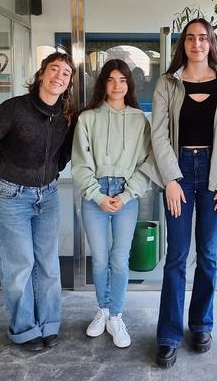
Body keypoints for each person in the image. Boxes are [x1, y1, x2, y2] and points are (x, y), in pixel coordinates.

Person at [0, 52, 76, 352]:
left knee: (48, 265)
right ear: (41, 74)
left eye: (66, 73)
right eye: (54, 69)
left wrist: (54, 170)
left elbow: (63, 151)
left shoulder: (64, 115)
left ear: (68, 84)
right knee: (20, 267)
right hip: (12, 198)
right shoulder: (15, 108)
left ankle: (49, 323)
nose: (59, 76)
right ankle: (25, 328)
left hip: (49, 197)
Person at [148, 18, 217, 368]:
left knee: (209, 256)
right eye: (191, 38)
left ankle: (201, 324)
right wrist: (171, 179)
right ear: (183, 44)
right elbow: (158, 134)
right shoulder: (167, 83)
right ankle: (168, 334)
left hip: (215, 174)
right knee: (176, 258)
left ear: (211, 42)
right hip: (181, 172)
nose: (197, 44)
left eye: (203, 38)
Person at [71, 59, 151, 348]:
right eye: (111, 79)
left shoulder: (139, 120)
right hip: (96, 194)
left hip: (125, 194)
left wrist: (126, 195)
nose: (117, 85)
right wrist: (98, 195)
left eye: (123, 80)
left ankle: (116, 315)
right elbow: (80, 164)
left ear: (129, 85)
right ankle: (102, 310)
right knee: (100, 258)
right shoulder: (87, 118)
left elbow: (146, 164)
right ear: (103, 83)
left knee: (119, 259)